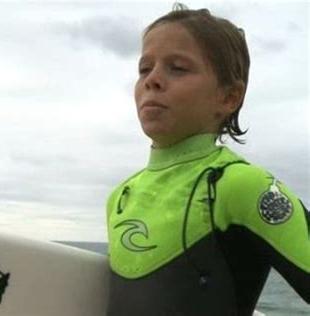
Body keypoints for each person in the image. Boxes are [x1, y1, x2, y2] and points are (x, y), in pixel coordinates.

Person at [106, 3, 309, 316]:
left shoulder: (242, 185)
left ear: (228, 97)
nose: (153, 80)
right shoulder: (120, 198)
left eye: (178, 67)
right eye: (145, 69)